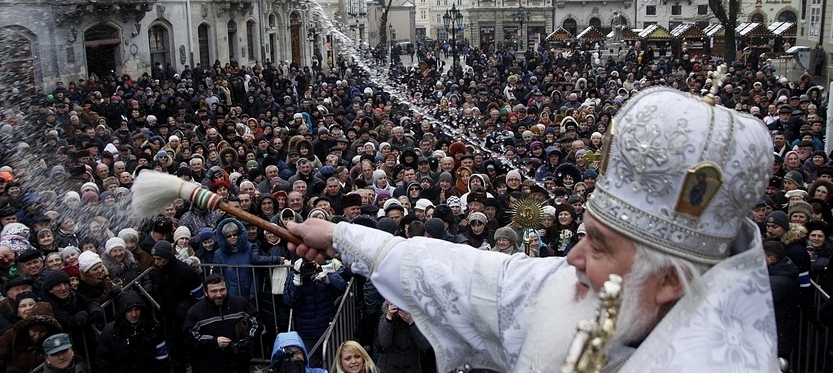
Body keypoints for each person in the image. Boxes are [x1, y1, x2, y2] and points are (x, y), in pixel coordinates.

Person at [287, 87, 781, 373]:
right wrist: (340, 236)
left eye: (599, 245)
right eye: (583, 234)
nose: (572, 258)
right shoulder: (596, 293)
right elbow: (478, 276)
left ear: (670, 279)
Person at [183, 274, 261, 373]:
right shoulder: (195, 312)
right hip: (209, 365)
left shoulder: (240, 303)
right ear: (205, 292)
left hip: (238, 363)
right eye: (214, 291)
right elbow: (190, 338)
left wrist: (248, 339)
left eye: (222, 290)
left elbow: (256, 322)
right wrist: (214, 341)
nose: (219, 295)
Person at [149, 240, 204, 373]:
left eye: (159, 259)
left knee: (194, 355)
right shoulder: (159, 272)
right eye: (155, 259)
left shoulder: (186, 271)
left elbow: (199, 296)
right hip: (169, 320)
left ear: (167, 257)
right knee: (176, 357)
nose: (156, 263)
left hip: (187, 320)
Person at [95, 291, 169, 373]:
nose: (134, 314)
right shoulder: (110, 332)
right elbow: (103, 363)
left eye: (137, 309)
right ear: (123, 311)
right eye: (129, 310)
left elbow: (162, 357)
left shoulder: (153, 326)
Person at [0, 302, 63, 373]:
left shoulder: (55, 340)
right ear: (27, 327)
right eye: (34, 331)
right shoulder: (12, 335)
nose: (37, 335)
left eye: (43, 331)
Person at [376, 301, 431, 373]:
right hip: (388, 367)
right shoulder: (385, 316)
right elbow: (384, 343)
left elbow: (425, 346)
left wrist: (412, 323)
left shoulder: (420, 318)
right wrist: (389, 319)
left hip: (412, 368)